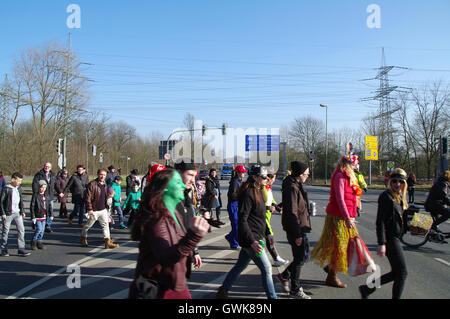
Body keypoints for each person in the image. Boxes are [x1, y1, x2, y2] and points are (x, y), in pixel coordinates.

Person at [129, 169, 209, 299]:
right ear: (165, 188)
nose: (183, 185)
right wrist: (194, 237)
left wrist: (194, 250)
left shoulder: (175, 212)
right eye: (178, 182)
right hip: (157, 289)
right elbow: (166, 257)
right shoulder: (157, 218)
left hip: (173, 283)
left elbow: (179, 239)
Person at [216, 165, 278, 299]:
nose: (267, 179)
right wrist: (252, 242)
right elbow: (242, 220)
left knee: (240, 266)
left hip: (256, 236)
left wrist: (268, 233)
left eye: (267, 176)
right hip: (251, 239)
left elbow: (260, 216)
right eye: (263, 177)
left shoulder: (260, 190)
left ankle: (223, 290)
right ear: (255, 177)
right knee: (267, 269)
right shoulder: (248, 193)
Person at [311, 155, 362, 288]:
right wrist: (346, 217)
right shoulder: (340, 176)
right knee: (339, 247)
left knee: (345, 247)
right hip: (337, 217)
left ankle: (331, 271)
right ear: (348, 164)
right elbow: (340, 199)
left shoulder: (351, 177)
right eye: (354, 164)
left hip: (347, 217)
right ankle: (332, 276)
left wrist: (355, 210)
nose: (355, 167)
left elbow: (354, 195)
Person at [359, 168, 409, 299]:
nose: (397, 184)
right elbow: (380, 221)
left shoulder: (400, 197)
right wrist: (381, 243)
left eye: (401, 182)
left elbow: (401, 221)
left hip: (397, 237)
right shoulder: (386, 197)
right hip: (390, 239)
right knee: (402, 273)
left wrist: (415, 228)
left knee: (396, 273)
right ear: (390, 182)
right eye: (395, 181)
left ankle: (367, 288)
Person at [278, 161, 311, 299]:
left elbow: (293, 205)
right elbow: (292, 211)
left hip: (300, 226)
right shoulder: (292, 187)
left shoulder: (296, 185)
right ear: (299, 174)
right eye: (306, 174)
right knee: (300, 258)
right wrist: (297, 234)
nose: (308, 176)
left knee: (304, 255)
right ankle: (295, 289)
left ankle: (285, 275)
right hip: (296, 227)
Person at [174, 160, 203, 270]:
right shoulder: (167, 197)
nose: (193, 180)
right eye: (190, 175)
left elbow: (188, 227)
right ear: (178, 173)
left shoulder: (186, 195)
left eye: (194, 176)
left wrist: (195, 251)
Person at [81, 169, 119, 249]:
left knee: (105, 226)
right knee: (88, 225)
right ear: (98, 174)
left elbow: (104, 196)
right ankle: (83, 237)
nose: (102, 176)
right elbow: (87, 198)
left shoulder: (105, 184)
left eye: (104, 175)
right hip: (94, 210)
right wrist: (90, 209)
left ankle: (107, 242)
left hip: (103, 209)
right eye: (101, 174)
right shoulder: (92, 184)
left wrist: (109, 198)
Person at [1, 172, 30, 257]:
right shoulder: (6, 189)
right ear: (13, 180)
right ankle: (4, 249)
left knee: (21, 230)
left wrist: (23, 211)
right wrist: (3, 214)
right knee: (5, 231)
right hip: (8, 213)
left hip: (18, 213)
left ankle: (21, 248)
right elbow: (1, 202)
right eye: (18, 181)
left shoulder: (19, 188)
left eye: (21, 181)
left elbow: (21, 201)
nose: (19, 183)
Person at [264, 171, 289, 267]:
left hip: (267, 216)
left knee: (257, 240)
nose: (274, 180)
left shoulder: (268, 187)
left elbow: (271, 200)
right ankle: (276, 258)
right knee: (269, 236)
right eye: (274, 178)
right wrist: (268, 207)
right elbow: (259, 203)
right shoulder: (262, 188)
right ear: (269, 178)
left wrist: (278, 208)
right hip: (262, 217)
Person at [32, 162, 61, 233]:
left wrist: (59, 192)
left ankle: (48, 226)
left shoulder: (53, 175)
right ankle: (38, 224)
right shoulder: (39, 174)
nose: (47, 167)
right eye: (46, 166)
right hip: (40, 196)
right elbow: (35, 184)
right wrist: (36, 193)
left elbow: (56, 184)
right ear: (43, 166)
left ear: (50, 168)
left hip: (50, 196)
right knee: (40, 211)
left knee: (49, 211)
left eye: (48, 166)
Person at [225, 165, 247, 249]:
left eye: (244, 172)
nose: (244, 173)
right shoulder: (234, 182)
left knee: (238, 225)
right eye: (242, 172)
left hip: (237, 205)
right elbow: (231, 195)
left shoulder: (240, 181)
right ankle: (234, 244)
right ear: (238, 173)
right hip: (233, 205)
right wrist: (241, 196)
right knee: (236, 225)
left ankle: (230, 237)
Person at [30, 180, 52, 250]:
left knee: (42, 230)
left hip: (44, 215)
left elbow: (49, 205)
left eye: (45, 187)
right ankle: (33, 241)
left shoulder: (46, 196)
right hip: (37, 215)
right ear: (39, 187)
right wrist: (33, 217)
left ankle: (39, 241)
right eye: (42, 187)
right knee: (39, 229)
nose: (43, 189)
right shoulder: (35, 195)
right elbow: (32, 206)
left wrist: (51, 214)